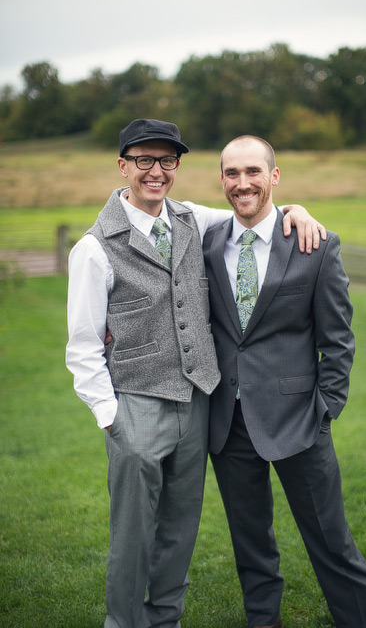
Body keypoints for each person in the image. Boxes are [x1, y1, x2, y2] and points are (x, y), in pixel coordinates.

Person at [65, 119, 324, 628]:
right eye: (144, 160)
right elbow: (82, 345)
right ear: (124, 167)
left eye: (166, 161)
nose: (156, 172)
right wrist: (110, 417)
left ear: (177, 167)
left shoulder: (193, 220)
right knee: (134, 535)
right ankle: (122, 623)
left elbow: (253, 214)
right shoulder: (94, 248)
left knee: (179, 532)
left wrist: (296, 208)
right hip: (135, 405)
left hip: (199, 403)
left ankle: (166, 620)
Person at [203, 135, 366, 628]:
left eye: (253, 172)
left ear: (274, 176)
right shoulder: (209, 242)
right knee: (251, 546)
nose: (243, 184)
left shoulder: (314, 245)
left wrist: (326, 407)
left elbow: (339, 339)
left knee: (332, 544)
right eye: (232, 173)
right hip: (228, 423)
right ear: (221, 179)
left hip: (300, 419)